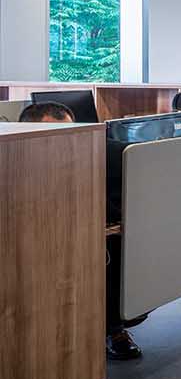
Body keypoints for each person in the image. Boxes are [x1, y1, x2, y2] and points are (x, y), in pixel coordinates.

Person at [19, 102, 142, 358]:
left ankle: (112, 328)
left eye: (70, 132)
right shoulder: (15, 164)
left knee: (114, 249)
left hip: (78, 233)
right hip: (28, 243)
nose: (65, 141)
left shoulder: (84, 156)